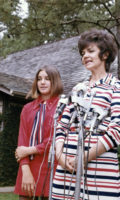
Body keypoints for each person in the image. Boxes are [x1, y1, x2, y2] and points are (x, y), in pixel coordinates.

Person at [51, 29, 120, 200]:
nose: (85, 55)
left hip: (100, 172)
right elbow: (62, 125)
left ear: (105, 54)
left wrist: (83, 158)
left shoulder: (118, 87)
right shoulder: (78, 89)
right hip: (66, 171)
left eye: (90, 51)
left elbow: (117, 131)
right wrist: (60, 156)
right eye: (83, 52)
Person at [14, 65, 64, 200]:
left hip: (53, 166)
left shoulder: (63, 107)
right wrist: (25, 169)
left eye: (47, 79)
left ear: (55, 81)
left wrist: (30, 149)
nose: (42, 82)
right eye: (39, 79)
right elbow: (22, 141)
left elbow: (56, 139)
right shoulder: (27, 108)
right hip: (28, 167)